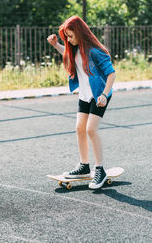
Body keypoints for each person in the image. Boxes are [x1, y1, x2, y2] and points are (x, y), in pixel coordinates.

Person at [47, 16, 116, 189]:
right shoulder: (75, 48)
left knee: (91, 130)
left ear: (79, 32)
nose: (68, 40)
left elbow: (111, 74)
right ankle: (84, 166)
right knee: (79, 129)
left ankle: (100, 169)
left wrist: (104, 95)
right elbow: (67, 53)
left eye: (70, 36)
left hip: (99, 95)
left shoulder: (94, 51)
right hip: (85, 95)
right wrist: (56, 44)